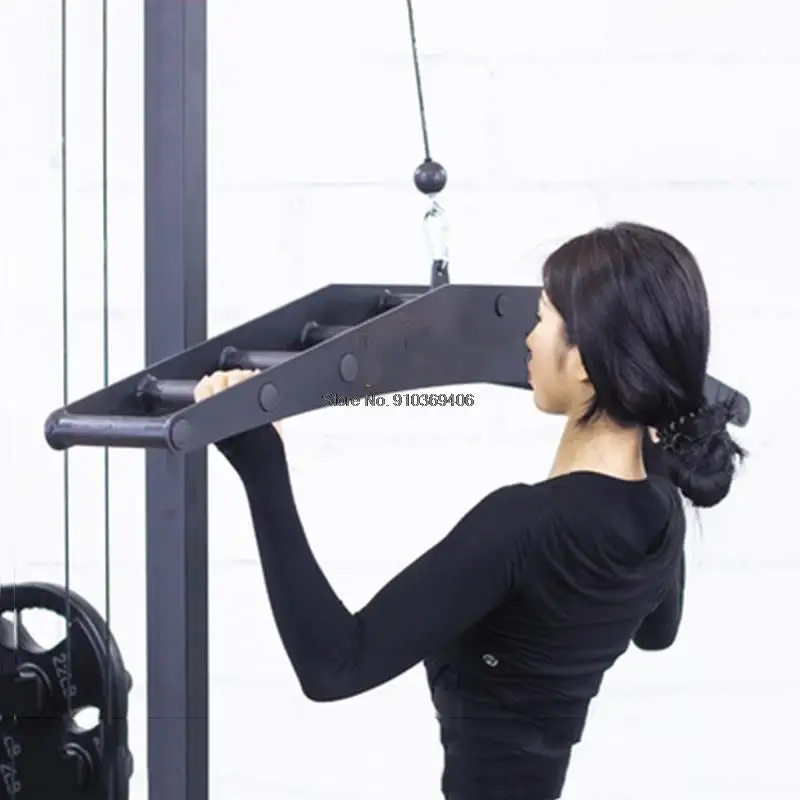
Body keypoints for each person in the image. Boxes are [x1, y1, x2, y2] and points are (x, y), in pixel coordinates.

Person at [194, 221, 746, 800]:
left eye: (542, 319)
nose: (528, 339)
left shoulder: (524, 525)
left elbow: (333, 666)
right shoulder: (660, 509)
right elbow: (657, 632)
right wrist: (653, 446)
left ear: (584, 361)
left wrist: (262, 465)